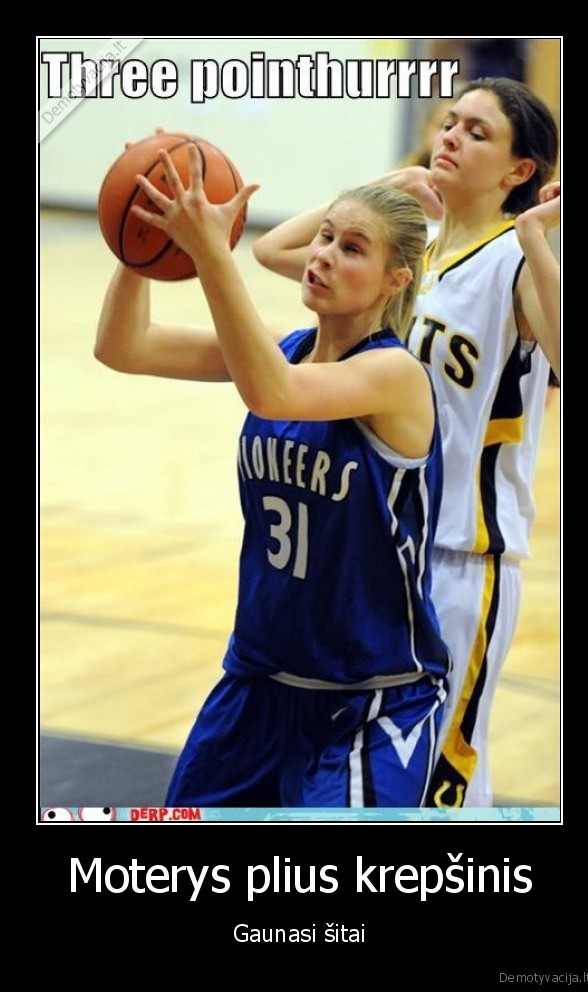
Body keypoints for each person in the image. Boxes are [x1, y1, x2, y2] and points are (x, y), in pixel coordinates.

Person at [94, 145, 452, 808]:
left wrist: (211, 253)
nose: (324, 255)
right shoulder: (285, 349)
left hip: (368, 702)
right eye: (324, 237)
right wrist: (138, 245)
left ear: (395, 280)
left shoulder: (394, 375)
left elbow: (272, 393)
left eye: (352, 248)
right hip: (257, 685)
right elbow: (125, 346)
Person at [252, 76, 560, 807]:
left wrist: (535, 237)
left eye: (477, 133)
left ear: (519, 171)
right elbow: (272, 249)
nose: (451, 137)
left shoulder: (517, 264)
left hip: (462, 557)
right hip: (385, 553)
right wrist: (383, 188)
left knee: (443, 779)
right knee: (387, 780)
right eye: (450, 122)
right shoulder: (409, 256)